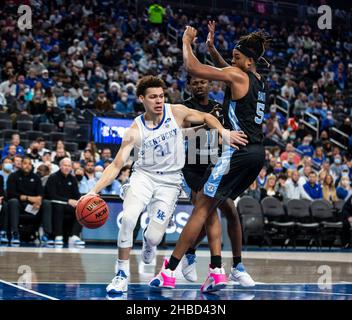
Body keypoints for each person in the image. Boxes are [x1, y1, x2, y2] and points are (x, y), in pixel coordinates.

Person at [81, 75, 245, 294]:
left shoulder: (175, 112)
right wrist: (93, 191)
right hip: (144, 177)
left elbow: (206, 116)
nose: (158, 100)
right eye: (152, 97)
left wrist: (224, 132)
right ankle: (121, 275)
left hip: (169, 182)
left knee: (154, 236)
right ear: (141, 98)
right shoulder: (135, 130)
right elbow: (116, 165)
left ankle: (149, 244)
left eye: (161, 96)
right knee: (129, 219)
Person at [150, 24, 267, 292]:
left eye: (237, 58)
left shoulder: (237, 75)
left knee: (202, 206)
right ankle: (221, 269)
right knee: (215, 208)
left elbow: (193, 68)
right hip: (256, 154)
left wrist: (187, 42)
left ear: (248, 61)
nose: (232, 62)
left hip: (236, 150)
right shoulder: (257, 78)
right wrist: (213, 50)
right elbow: (227, 71)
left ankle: (171, 270)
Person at [180, 74, 255, 286]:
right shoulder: (184, 108)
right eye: (195, 83)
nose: (199, 85)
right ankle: (195, 256)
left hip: (217, 165)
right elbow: (182, 134)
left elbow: (225, 133)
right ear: (189, 86)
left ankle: (237, 266)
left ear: (209, 84)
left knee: (231, 212)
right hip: (194, 166)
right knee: (207, 215)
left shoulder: (219, 108)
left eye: (202, 82)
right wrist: (204, 126)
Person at [6, 157, 52, 245]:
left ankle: (47, 234)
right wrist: (28, 198)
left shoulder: (36, 177)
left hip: (33, 206)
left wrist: (39, 201)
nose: (27, 166)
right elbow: (10, 194)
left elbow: (41, 193)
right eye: (25, 163)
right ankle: (15, 233)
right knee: (13, 201)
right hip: (19, 205)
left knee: (46, 203)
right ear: (21, 165)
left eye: (29, 164)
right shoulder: (13, 176)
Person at [45, 158, 84, 247]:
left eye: (69, 166)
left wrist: (79, 202)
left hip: (69, 205)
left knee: (81, 209)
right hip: (56, 204)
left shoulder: (73, 179)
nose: (67, 168)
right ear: (60, 166)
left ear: (71, 168)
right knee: (59, 207)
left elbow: (77, 194)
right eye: (65, 165)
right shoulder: (53, 177)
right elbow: (51, 195)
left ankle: (75, 235)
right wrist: (68, 201)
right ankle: (58, 236)